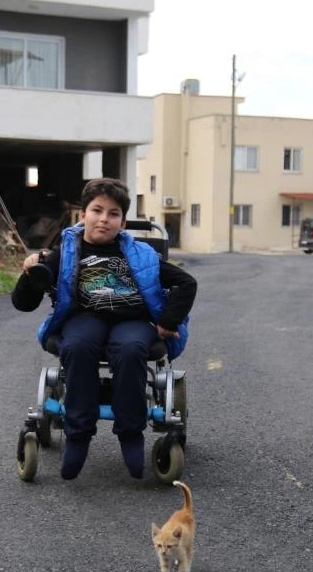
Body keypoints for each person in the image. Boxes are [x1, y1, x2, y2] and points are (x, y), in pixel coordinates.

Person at [12, 178, 197, 480]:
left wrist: (167, 323)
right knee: (77, 346)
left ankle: (130, 434)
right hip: (85, 316)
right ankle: (78, 435)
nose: (104, 219)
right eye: (97, 210)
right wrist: (30, 274)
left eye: (113, 214)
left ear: (122, 222)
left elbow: (187, 283)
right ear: (82, 215)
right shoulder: (65, 252)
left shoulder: (140, 254)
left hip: (134, 319)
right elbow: (24, 303)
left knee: (130, 348)